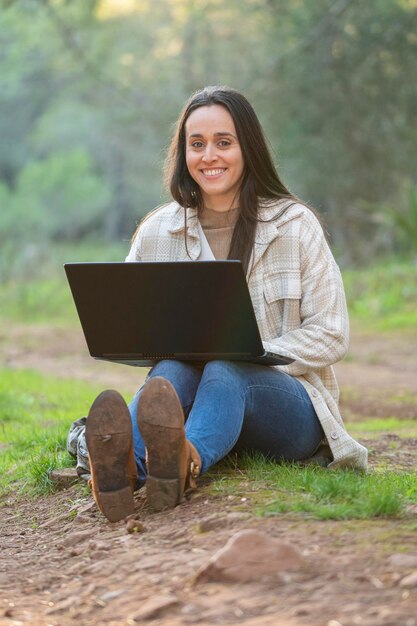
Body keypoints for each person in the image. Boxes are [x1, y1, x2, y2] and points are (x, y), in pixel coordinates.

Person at [83, 85, 368, 523]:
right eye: (196, 145)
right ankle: (122, 473)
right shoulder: (157, 231)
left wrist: (253, 353)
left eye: (223, 142)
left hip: (286, 410)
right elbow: (134, 327)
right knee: (171, 371)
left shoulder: (295, 225)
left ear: (247, 148)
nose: (208, 156)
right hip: (197, 398)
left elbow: (332, 332)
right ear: (183, 154)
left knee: (225, 368)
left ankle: (182, 462)